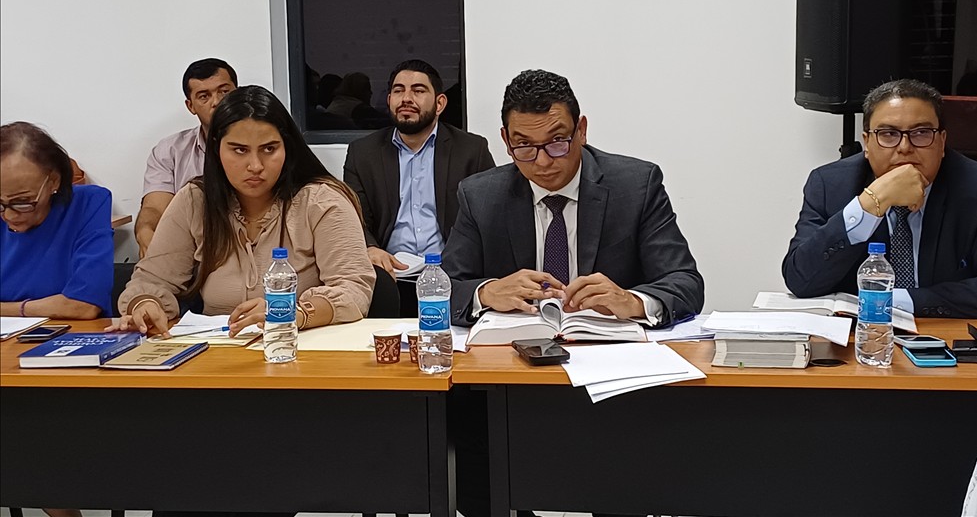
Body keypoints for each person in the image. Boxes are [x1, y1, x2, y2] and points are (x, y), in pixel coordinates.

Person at [441, 69, 704, 517]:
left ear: (581, 129)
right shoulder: (480, 195)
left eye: (557, 142)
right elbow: (444, 288)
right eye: (524, 146)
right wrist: (487, 292)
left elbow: (685, 282)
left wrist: (633, 301)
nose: (543, 161)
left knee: (628, 472)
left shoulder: (635, 184)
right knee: (470, 430)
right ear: (505, 140)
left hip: (612, 373)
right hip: (514, 377)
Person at [109, 85, 374, 339]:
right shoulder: (195, 200)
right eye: (239, 150)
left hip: (298, 347)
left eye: (269, 149)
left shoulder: (322, 201)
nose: (255, 165)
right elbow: (152, 280)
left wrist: (296, 313)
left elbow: (353, 289)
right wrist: (145, 304)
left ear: (287, 148)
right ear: (216, 149)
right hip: (217, 353)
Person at [783, 78, 977, 318]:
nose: (905, 147)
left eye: (921, 133)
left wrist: (896, 301)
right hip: (859, 335)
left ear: (942, 142)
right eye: (888, 134)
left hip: (940, 333)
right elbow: (800, 280)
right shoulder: (830, 185)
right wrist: (870, 203)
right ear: (867, 143)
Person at [344, 59, 495, 316]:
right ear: (389, 100)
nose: (406, 98)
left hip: (450, 278)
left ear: (440, 103)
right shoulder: (363, 153)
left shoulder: (471, 150)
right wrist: (370, 248)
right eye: (398, 90)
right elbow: (353, 216)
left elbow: (489, 218)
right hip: (391, 278)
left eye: (418, 90)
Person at [1, 122, 113, 321]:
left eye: (22, 202)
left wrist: (15, 309)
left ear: (53, 181)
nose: (9, 216)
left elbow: (84, 305)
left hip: (71, 334)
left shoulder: (87, 204)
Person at [135, 58, 238, 258]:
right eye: (204, 96)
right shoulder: (170, 151)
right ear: (191, 106)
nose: (216, 102)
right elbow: (155, 207)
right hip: (189, 255)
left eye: (224, 92)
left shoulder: (264, 147)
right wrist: (145, 230)